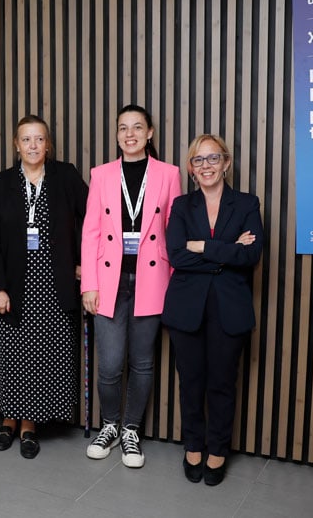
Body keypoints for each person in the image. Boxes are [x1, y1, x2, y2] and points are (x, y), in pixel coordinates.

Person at [0, 115, 88, 458]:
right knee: (11, 353)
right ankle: (8, 419)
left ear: (48, 144)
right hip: (12, 285)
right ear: (16, 144)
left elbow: (91, 220)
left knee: (42, 354)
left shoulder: (66, 176)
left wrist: (84, 262)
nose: (33, 146)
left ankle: (29, 424)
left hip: (54, 286)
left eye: (39, 139)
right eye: (26, 139)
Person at [80, 105, 182, 466]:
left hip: (151, 278)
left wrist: (172, 284)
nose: (130, 134)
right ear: (118, 134)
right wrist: (89, 285)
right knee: (109, 364)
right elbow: (91, 231)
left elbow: (174, 230)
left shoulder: (169, 174)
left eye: (137, 127)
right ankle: (109, 425)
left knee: (142, 362)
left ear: (150, 132)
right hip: (108, 279)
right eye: (123, 128)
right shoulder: (102, 174)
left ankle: (131, 431)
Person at [162, 134, 263, 486]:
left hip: (229, 309)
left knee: (222, 383)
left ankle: (218, 450)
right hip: (186, 308)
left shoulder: (248, 203)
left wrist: (203, 246)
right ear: (191, 168)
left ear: (226, 162)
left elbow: (250, 256)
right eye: (199, 160)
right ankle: (193, 446)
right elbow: (176, 255)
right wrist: (226, 251)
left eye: (213, 158)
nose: (207, 166)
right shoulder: (180, 206)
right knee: (191, 383)